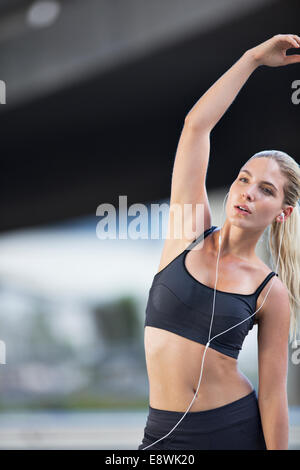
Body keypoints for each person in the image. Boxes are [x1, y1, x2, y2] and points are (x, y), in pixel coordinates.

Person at [138, 34, 300, 451]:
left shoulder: (270, 291)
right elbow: (196, 126)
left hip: (231, 432)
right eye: (244, 179)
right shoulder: (187, 233)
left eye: (266, 190)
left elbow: (274, 395)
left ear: (282, 212)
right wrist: (250, 59)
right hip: (160, 437)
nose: (248, 192)